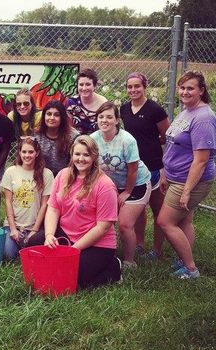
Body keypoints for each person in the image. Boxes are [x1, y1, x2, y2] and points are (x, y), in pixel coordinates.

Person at [157, 71, 216, 279]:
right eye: (182, 88)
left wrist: (187, 191)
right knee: (184, 221)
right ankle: (183, 261)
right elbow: (173, 144)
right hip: (175, 176)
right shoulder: (187, 111)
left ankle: (191, 269)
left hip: (189, 180)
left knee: (165, 222)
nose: (184, 92)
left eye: (190, 88)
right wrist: (165, 173)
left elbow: (201, 160)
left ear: (201, 91)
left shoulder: (203, 118)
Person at [44, 135, 121, 289]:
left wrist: (73, 250)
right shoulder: (63, 175)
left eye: (86, 155)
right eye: (77, 154)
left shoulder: (105, 185)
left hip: (97, 243)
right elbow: (53, 208)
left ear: (94, 157)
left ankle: (113, 268)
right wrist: (49, 235)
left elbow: (103, 227)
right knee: (37, 244)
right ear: (72, 155)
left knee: (74, 278)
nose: (81, 159)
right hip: (67, 233)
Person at [90, 102, 151, 268]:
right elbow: (93, 166)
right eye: (101, 117)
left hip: (136, 184)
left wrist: (127, 192)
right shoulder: (93, 139)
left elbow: (133, 170)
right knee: (103, 221)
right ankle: (105, 250)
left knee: (124, 224)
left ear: (117, 120)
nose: (105, 120)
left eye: (109, 117)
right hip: (112, 186)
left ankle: (129, 261)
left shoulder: (127, 140)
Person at [120, 72, 170, 259]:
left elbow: (167, 137)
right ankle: (139, 243)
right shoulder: (124, 109)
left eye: (137, 86)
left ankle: (157, 250)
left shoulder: (155, 109)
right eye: (130, 87)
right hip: (134, 166)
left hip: (153, 166)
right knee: (138, 207)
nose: (133, 90)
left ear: (144, 87)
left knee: (159, 210)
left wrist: (163, 169)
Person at [1, 137, 54, 259]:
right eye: (24, 152)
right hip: (13, 225)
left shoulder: (46, 174)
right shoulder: (11, 171)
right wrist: (13, 229)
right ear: (19, 152)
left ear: (37, 153)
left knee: (35, 254)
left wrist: (35, 230)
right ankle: (17, 244)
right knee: (8, 255)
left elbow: (44, 204)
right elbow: (8, 202)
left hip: (34, 226)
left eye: (31, 152)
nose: (27, 155)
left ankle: (27, 244)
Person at [35, 100, 79, 176]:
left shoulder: (73, 136)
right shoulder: (36, 135)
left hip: (66, 176)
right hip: (42, 176)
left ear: (62, 117)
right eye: (49, 114)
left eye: (56, 115)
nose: (52, 118)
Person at [67, 68, 107, 135]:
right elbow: (68, 128)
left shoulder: (103, 103)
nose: (84, 88)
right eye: (81, 84)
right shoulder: (72, 102)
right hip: (76, 141)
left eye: (88, 84)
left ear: (94, 86)